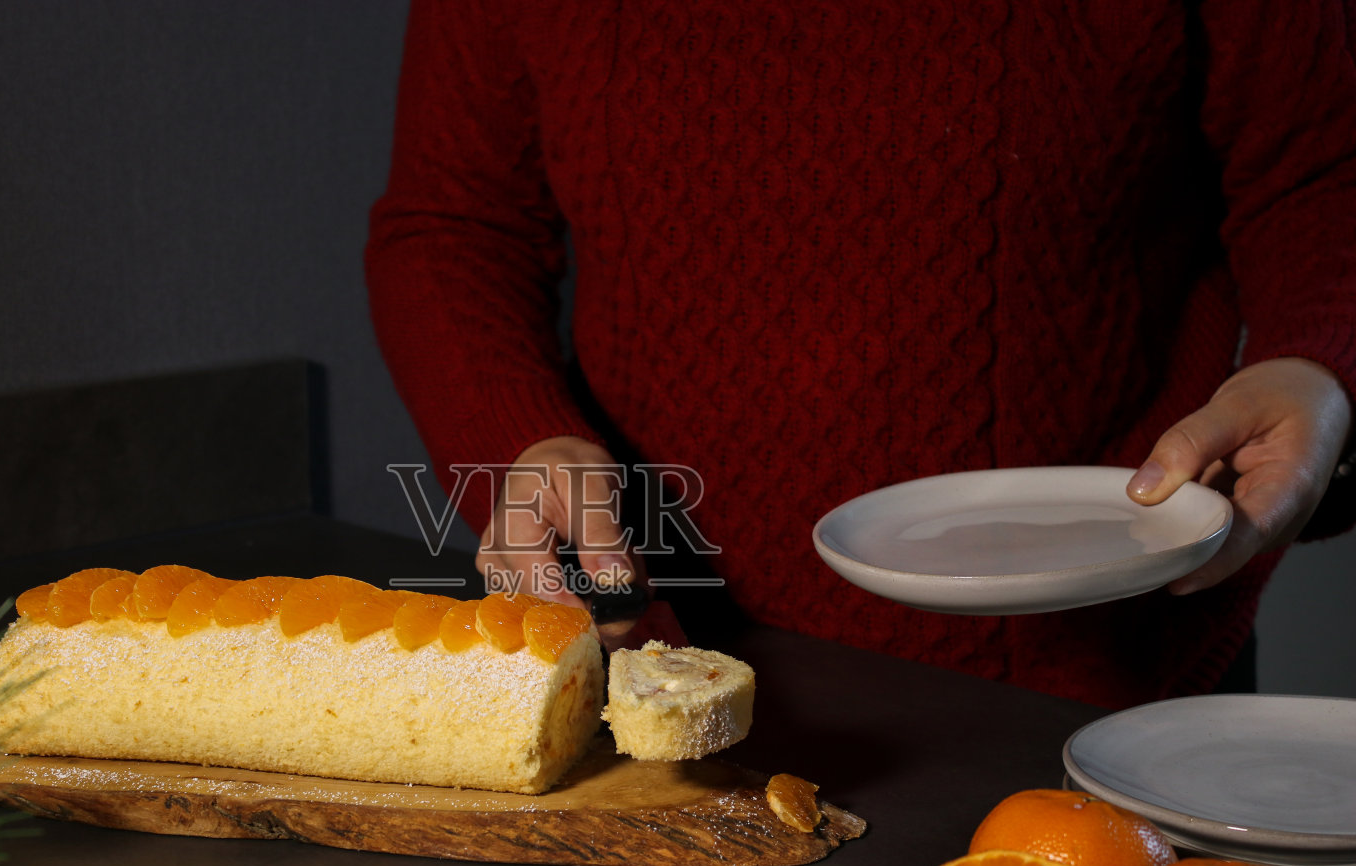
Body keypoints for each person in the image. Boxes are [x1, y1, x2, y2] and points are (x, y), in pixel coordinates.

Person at [365, 0, 1355, 709]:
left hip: (1109, 669)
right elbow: (456, 223)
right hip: (662, 663)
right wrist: (519, 443)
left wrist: (1316, 365)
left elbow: (1319, 174)